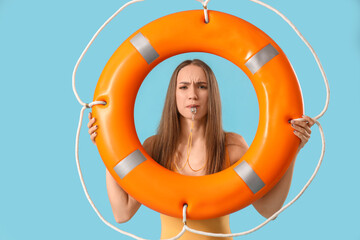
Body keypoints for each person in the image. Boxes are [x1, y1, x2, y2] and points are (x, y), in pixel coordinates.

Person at [87, 59, 315, 240]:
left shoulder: (232, 147)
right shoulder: (154, 148)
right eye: (183, 87)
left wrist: (293, 149)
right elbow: (122, 212)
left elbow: (268, 209)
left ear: (211, 94)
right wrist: (107, 145)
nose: (192, 95)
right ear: (173, 95)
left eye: (201, 86)